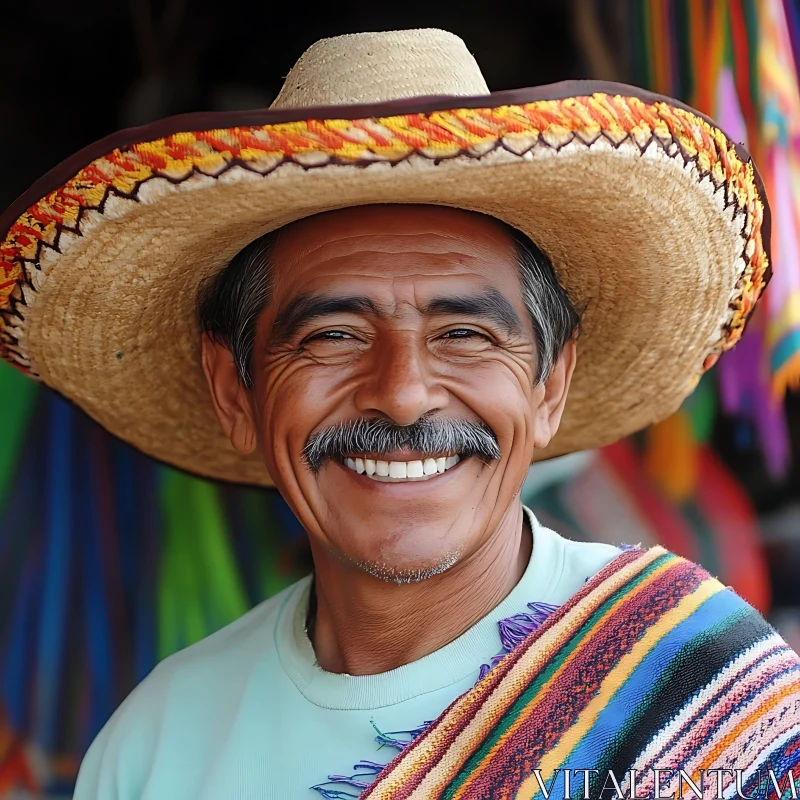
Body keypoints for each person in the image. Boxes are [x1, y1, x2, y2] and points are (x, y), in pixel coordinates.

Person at [0, 27, 796, 800]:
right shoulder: (157, 750)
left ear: (549, 385)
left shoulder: (694, 691)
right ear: (235, 391)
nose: (405, 392)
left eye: (465, 334)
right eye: (333, 336)